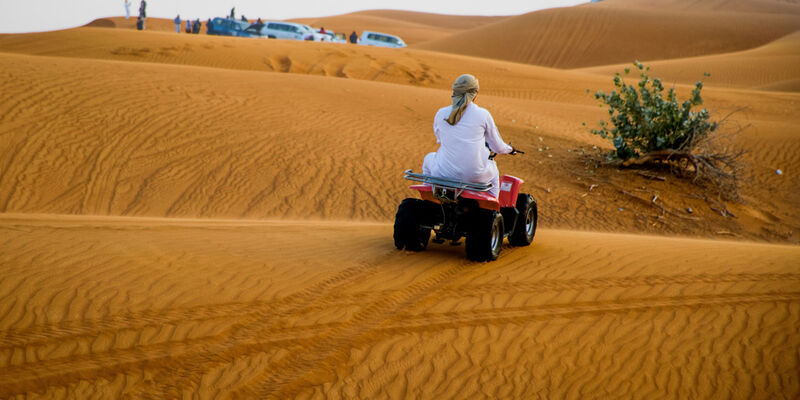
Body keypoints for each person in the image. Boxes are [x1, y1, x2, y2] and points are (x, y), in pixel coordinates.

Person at [422, 74, 516, 198]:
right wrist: (510, 149)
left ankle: (428, 197)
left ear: (454, 92)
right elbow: (498, 147)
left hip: (443, 173)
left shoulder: (441, 113)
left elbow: (440, 139)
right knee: (494, 170)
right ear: (475, 94)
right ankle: (494, 204)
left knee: (428, 158)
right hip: (474, 176)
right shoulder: (483, 115)